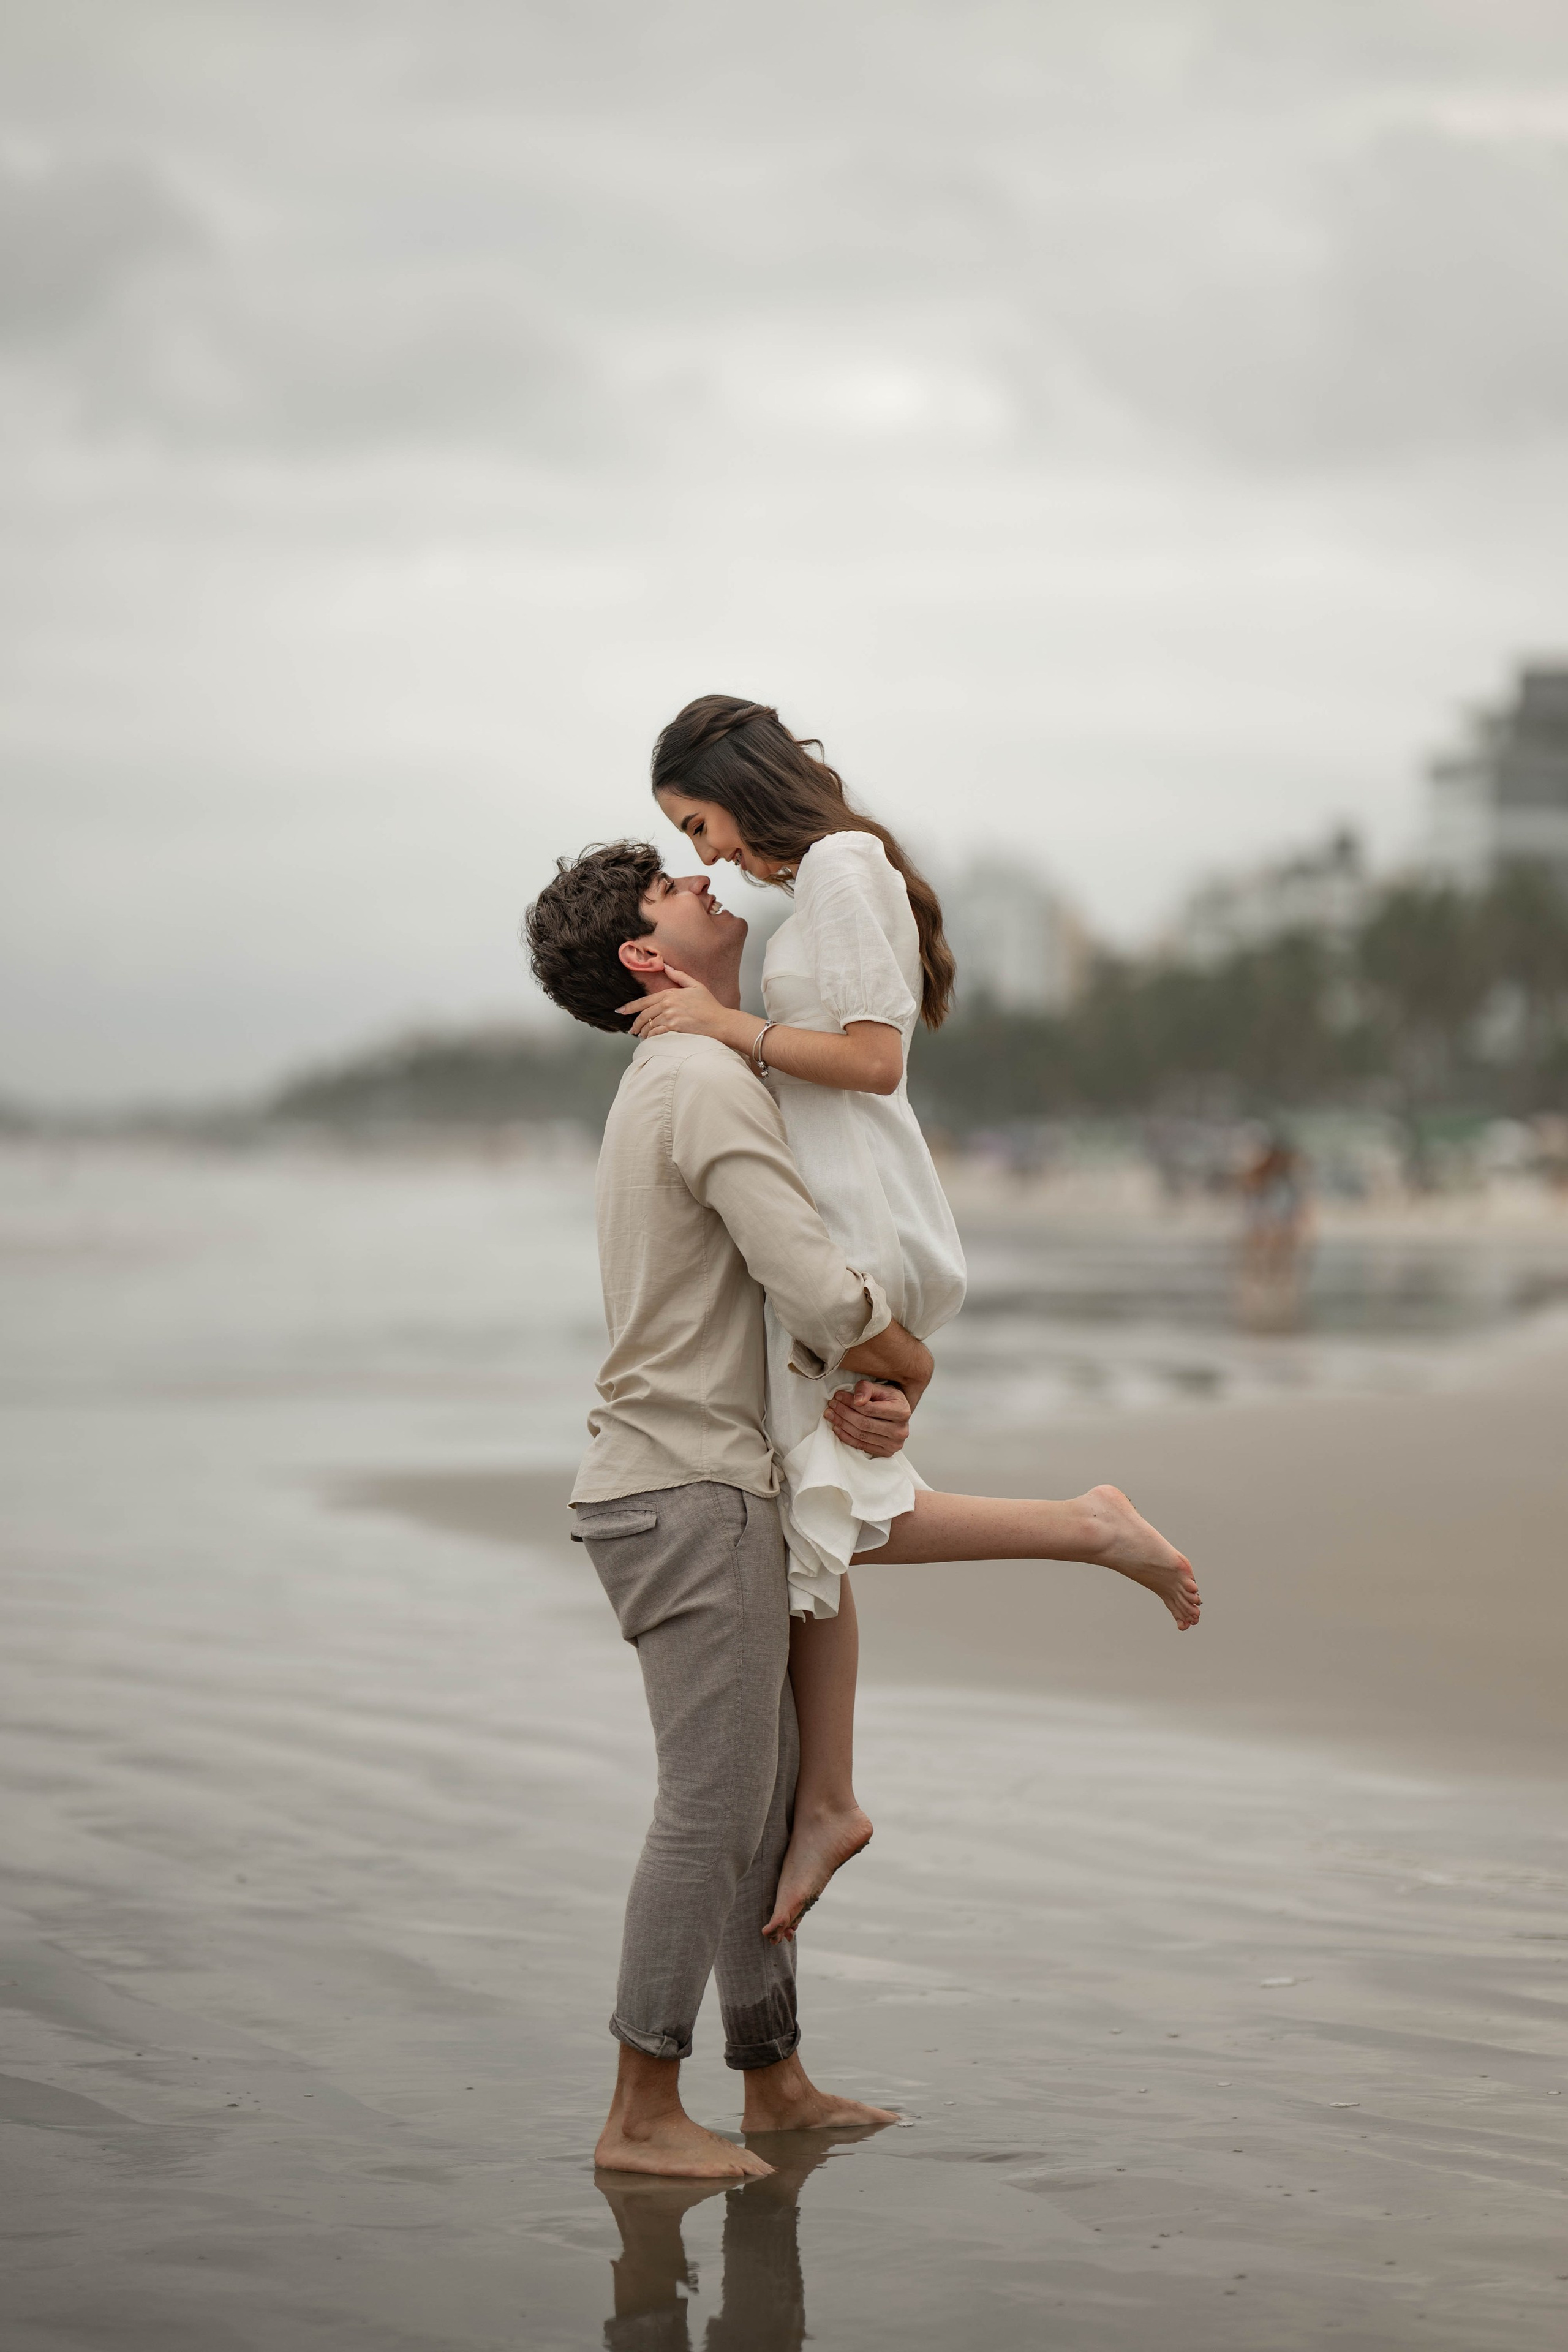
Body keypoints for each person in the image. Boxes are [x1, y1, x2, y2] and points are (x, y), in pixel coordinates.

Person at [525, 839, 1197, 2175]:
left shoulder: (687, 1068)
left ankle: (769, 2082)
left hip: (699, 1482)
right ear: (646, 962)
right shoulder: (701, 1076)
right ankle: (638, 2111)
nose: (704, 883)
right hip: (682, 1495)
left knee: (758, 1811)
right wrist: (902, 1360)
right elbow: (811, 1275)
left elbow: (763, 1301)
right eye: (674, 887)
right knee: (711, 1811)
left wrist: (847, 1381)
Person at [622, 696, 1200, 1941]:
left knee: (818, 1512)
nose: (706, 851)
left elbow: (874, 1062)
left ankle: (1087, 1530)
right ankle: (828, 1797)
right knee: (820, 1521)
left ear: (736, 783)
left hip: (859, 1219)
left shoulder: (841, 867)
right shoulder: (825, 879)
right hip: (843, 1214)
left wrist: (724, 1026)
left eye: (697, 821)